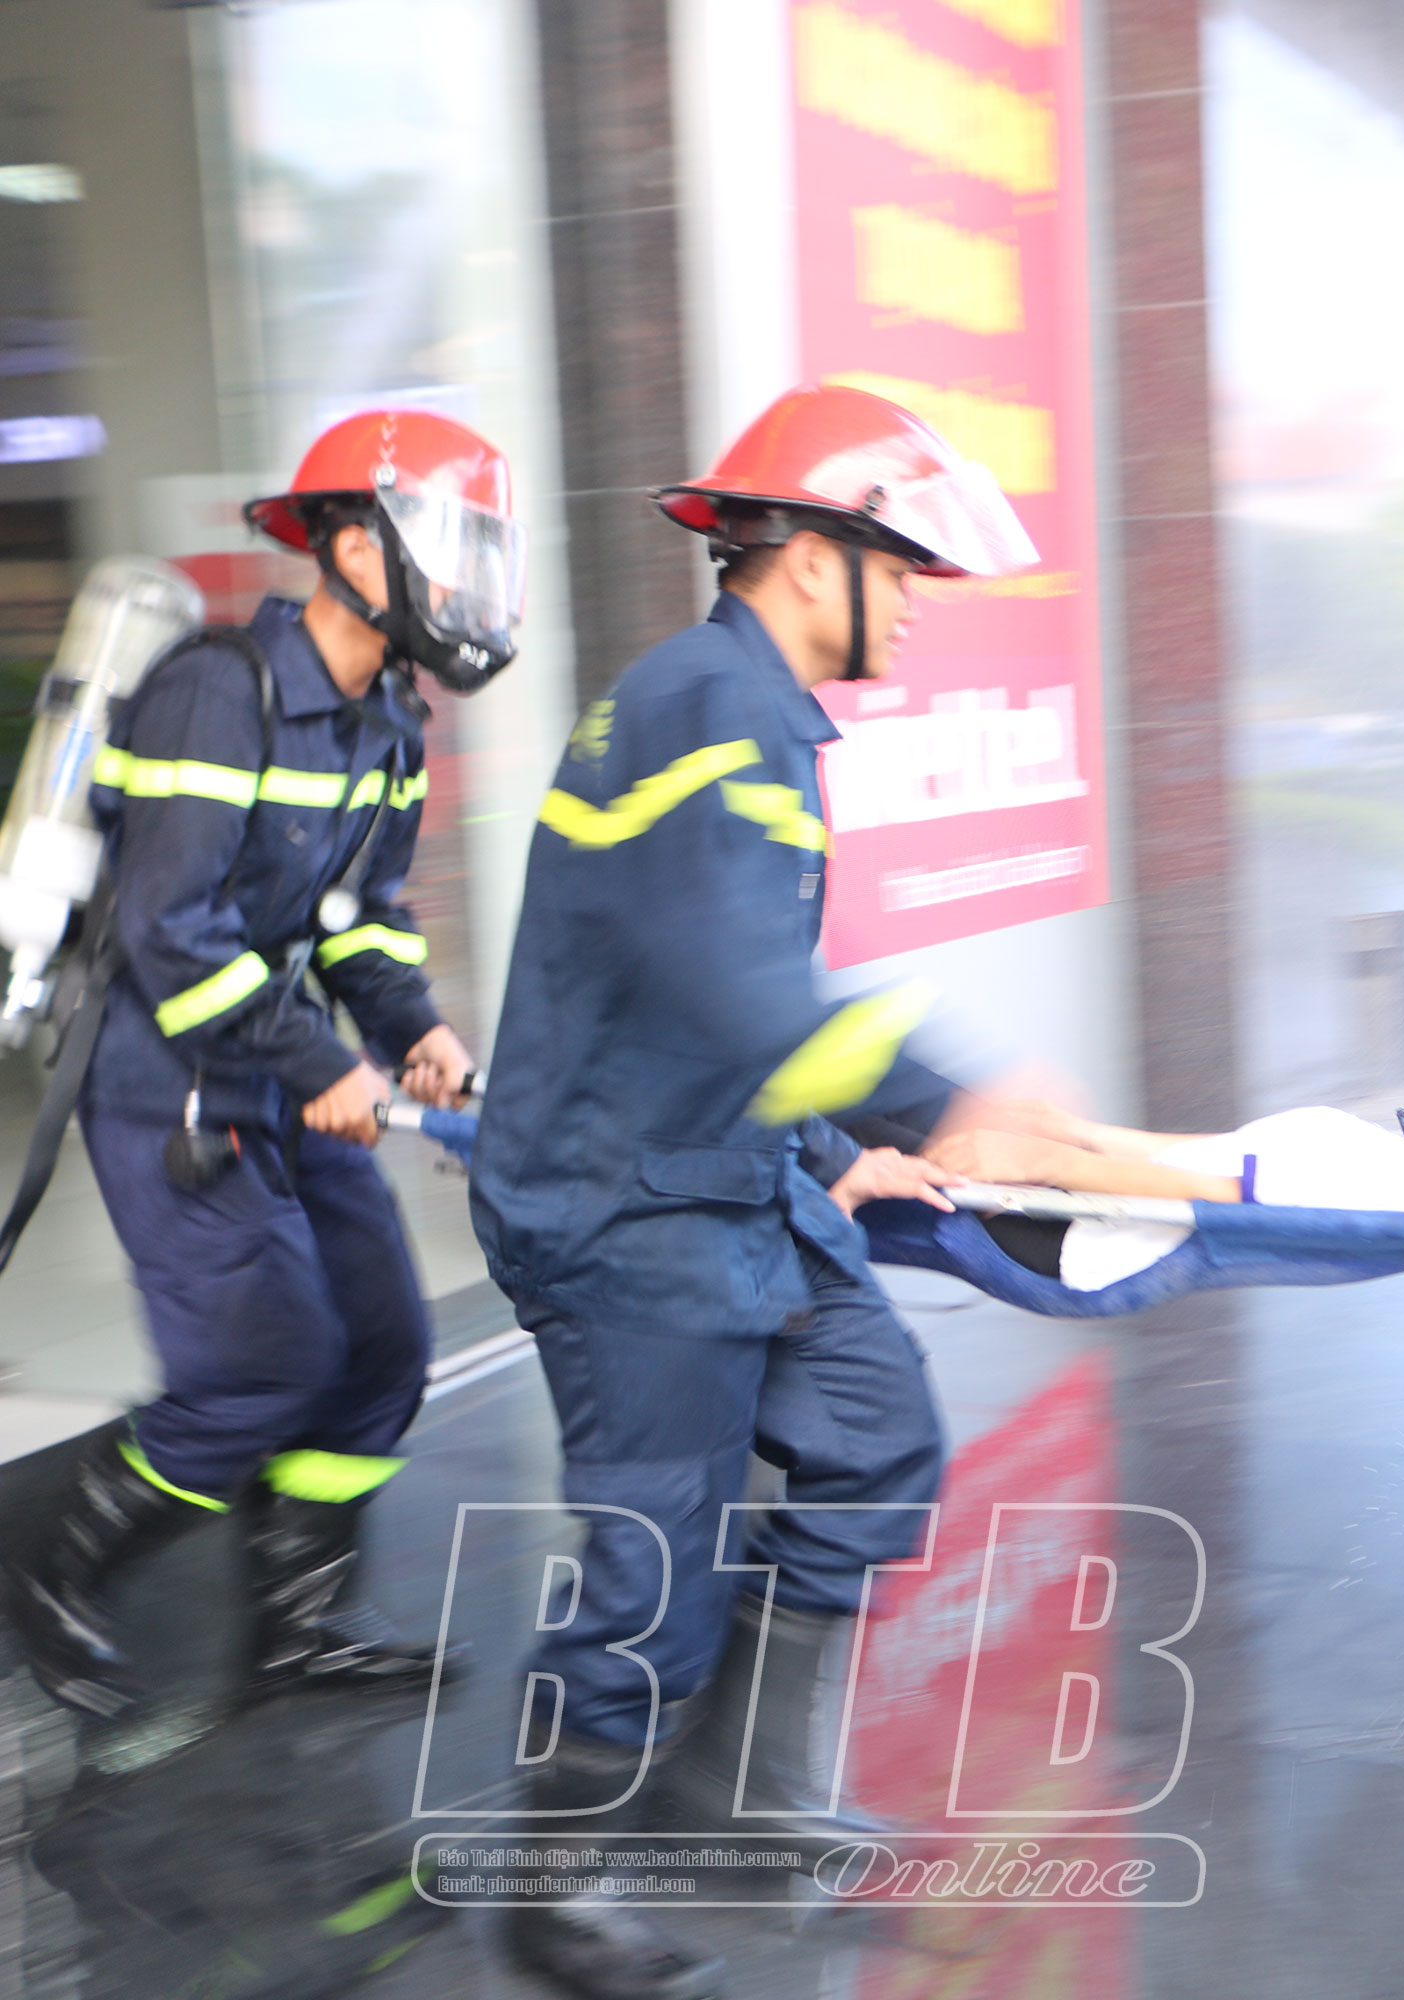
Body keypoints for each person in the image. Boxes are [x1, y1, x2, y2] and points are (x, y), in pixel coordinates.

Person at [467, 383, 1031, 2000]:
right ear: (806, 555)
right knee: (657, 1574)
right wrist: (944, 1095)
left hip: (733, 1179)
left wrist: (839, 1150)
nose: (914, 601)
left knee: (875, 1438)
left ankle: (739, 1796)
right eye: (899, 568)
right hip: (625, 1212)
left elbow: (725, 984)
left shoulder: (749, 710)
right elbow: (734, 979)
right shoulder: (705, 706)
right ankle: (550, 1890)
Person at [0, 409, 514, 1719]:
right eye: (453, 547)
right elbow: (173, 932)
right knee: (257, 1369)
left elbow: (361, 922)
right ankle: (53, 1575)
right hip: (167, 1090)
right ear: (357, 547)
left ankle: (296, 1624)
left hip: (283, 1074)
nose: (471, 584)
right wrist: (317, 1064)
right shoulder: (217, 692)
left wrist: (418, 1035)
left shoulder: (390, 721)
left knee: (382, 1345)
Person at [919, 1100, 1404, 1288]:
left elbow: (1195, 1193)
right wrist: (1074, 1131)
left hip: (1067, 1229)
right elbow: (1215, 1152)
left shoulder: (1403, 1190)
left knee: (880, 1131)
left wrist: (1034, 1160)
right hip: (1080, 1200)